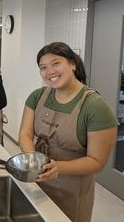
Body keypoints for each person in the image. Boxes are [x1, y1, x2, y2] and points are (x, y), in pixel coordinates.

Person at [18, 42, 118, 222]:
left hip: (72, 190)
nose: (49, 72)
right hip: (38, 180)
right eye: (43, 67)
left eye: (56, 63)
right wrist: (34, 159)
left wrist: (59, 167)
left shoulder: (95, 106)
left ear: (73, 64)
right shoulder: (37, 96)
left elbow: (97, 161)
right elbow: (25, 133)